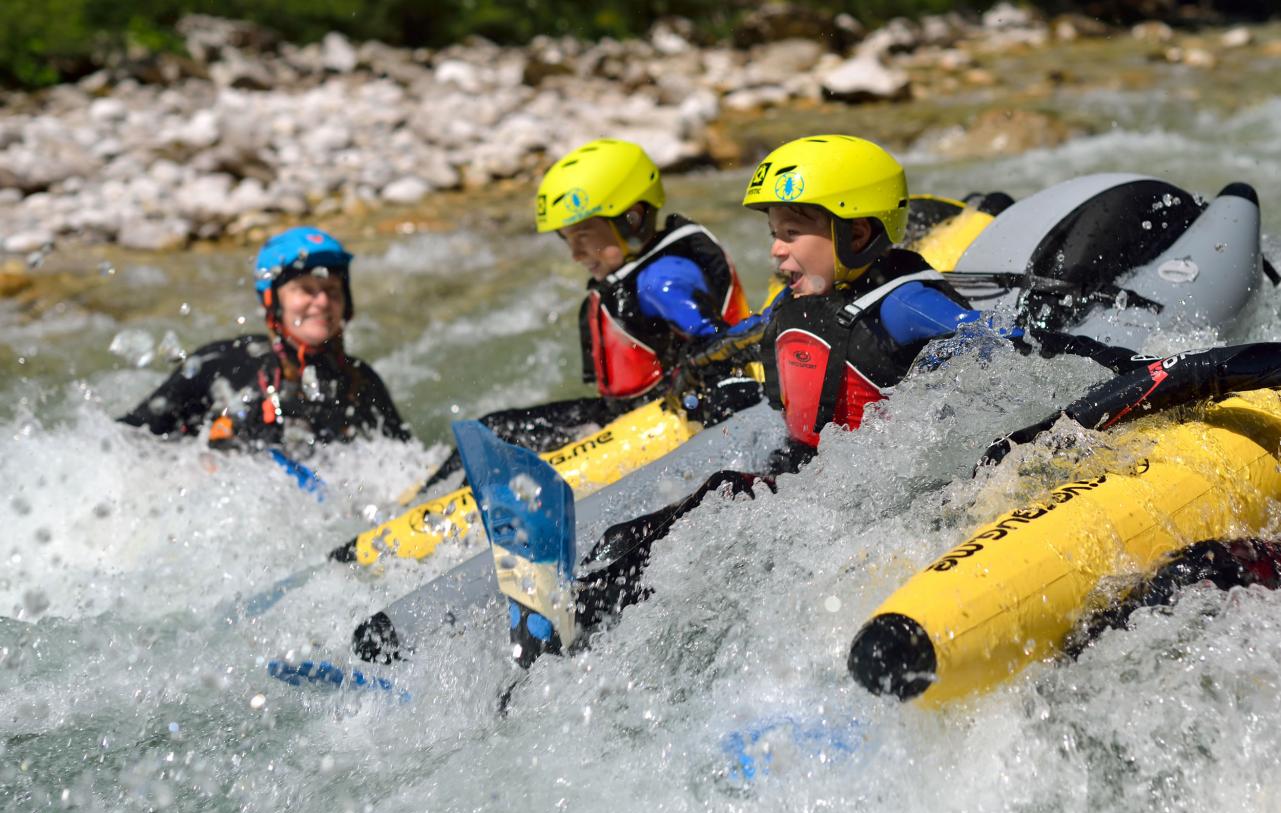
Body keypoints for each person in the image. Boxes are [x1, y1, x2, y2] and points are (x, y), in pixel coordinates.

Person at [515, 134, 1135, 663]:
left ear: (858, 232)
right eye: (774, 233)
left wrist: (1117, 366)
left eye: (792, 233)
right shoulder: (797, 301)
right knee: (686, 510)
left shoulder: (905, 302)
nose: (775, 249)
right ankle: (580, 606)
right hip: (807, 474)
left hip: (867, 496)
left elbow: (1008, 349)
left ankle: (583, 614)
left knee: (721, 505)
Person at [419, 138, 756, 492]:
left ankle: (433, 508)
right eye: (567, 239)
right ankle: (423, 501)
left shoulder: (662, 280)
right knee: (491, 432)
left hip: (661, 419)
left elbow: (719, 343)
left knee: (500, 438)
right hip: (621, 413)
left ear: (632, 218)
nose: (576, 254)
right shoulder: (639, 273)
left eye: (583, 234)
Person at [120, 226, 410, 452]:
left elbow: (405, 464)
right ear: (273, 302)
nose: (322, 302)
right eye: (306, 289)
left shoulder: (361, 383)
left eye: (332, 290)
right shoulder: (221, 365)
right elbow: (126, 440)